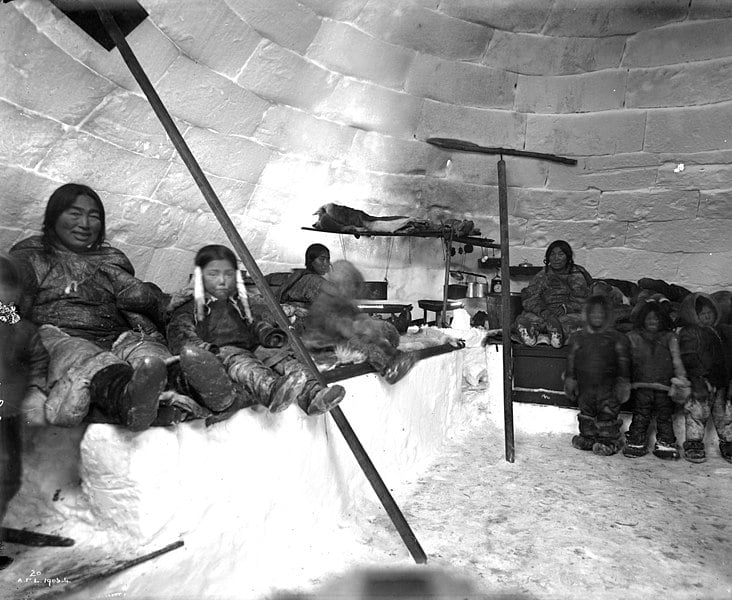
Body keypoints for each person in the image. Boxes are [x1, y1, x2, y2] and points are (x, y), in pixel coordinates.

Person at [9, 183, 188, 431]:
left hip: (116, 337)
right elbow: (9, 303)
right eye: (74, 213)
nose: (84, 223)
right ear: (54, 216)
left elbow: (140, 295)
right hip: (59, 338)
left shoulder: (110, 260)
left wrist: (171, 303)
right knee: (85, 356)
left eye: (93, 216)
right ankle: (127, 399)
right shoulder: (32, 257)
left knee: (150, 356)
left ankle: (187, 388)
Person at [166, 245, 345, 421]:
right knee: (244, 365)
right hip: (223, 351)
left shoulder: (234, 302)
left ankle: (314, 394)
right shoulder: (188, 307)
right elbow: (181, 337)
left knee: (283, 358)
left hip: (252, 344)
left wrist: (265, 331)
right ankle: (271, 390)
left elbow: (253, 320)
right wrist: (208, 350)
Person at [0, 254, 49, 569]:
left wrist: (35, 391)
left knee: (8, 478)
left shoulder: (21, 329)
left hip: (6, 415)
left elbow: (39, 359)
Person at [300, 260, 416, 384]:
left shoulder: (346, 302)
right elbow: (340, 327)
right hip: (322, 346)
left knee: (373, 338)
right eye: (348, 285)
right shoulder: (324, 302)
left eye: (353, 286)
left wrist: (375, 325)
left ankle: (395, 355)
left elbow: (359, 316)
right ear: (338, 284)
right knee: (365, 347)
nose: (351, 290)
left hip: (341, 339)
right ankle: (389, 370)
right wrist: (357, 328)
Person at [564, 295, 631, 456]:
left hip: (608, 386)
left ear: (608, 315)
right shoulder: (578, 337)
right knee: (586, 410)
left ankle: (608, 440)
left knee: (607, 412)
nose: (597, 316)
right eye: (593, 313)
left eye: (601, 313)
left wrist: (623, 382)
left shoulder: (617, 338)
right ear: (587, 315)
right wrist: (570, 378)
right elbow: (571, 360)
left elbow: (623, 362)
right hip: (585, 385)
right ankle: (587, 436)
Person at [623, 301, 690, 460]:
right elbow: (625, 361)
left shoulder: (670, 338)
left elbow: (677, 360)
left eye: (656, 318)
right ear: (642, 319)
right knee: (640, 414)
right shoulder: (633, 337)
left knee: (664, 416)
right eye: (649, 318)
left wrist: (681, 379)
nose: (653, 321)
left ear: (663, 320)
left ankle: (665, 442)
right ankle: (636, 440)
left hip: (664, 387)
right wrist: (624, 379)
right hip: (641, 385)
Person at [677, 293, 731, 463]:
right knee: (697, 413)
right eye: (702, 314)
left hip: (720, 381)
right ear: (692, 315)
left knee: (724, 414)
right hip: (701, 382)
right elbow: (689, 357)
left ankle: (728, 442)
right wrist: (697, 378)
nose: (707, 316)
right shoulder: (690, 333)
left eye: (710, 312)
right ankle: (694, 443)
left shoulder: (720, 332)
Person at [515, 240, 592, 348]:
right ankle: (530, 335)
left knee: (576, 321)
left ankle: (557, 335)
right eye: (552, 254)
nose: (556, 258)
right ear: (548, 257)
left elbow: (583, 297)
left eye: (561, 254)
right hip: (547, 312)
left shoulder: (577, 272)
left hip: (568, 312)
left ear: (568, 257)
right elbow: (530, 296)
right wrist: (544, 312)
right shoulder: (543, 274)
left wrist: (565, 308)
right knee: (527, 317)